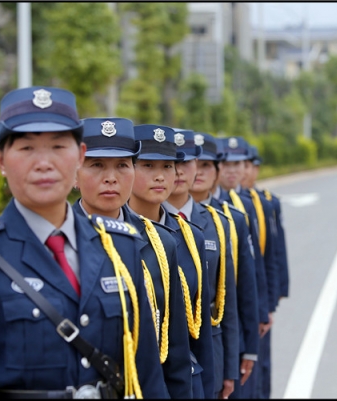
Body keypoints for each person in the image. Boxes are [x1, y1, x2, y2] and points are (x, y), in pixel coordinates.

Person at [0, 87, 167, 399]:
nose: (44, 163)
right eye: (26, 148)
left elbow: (146, 374)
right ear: (1, 160)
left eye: (58, 146)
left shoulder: (119, 245)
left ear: (78, 155)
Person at [72, 117, 192, 398]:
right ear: (74, 173)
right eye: (97, 165)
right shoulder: (54, 245)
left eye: (123, 165)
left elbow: (176, 350)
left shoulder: (161, 242)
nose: (111, 177)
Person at [128, 124, 215, 399]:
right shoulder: (111, 236)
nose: (161, 176)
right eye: (148, 166)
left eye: (168, 167)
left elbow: (198, 329)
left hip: (182, 379)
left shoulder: (187, 237)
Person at [163, 129, 240, 399]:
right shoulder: (142, 228)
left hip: (209, 350)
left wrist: (230, 367)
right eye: (172, 163)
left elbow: (226, 302)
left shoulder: (215, 223)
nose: (180, 171)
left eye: (187, 163)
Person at [189, 132, 260, 399]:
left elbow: (242, 291)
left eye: (206, 165)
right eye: (188, 162)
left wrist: (247, 347)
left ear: (216, 171)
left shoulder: (227, 220)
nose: (195, 171)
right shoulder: (154, 223)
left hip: (216, 342)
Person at [215, 136, 272, 398]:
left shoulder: (240, 210)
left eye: (239, 163)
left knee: (252, 380)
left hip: (237, 317)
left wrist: (265, 307)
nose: (232, 169)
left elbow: (258, 266)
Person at [242, 144, 290, 399]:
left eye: (246, 165)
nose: (240, 171)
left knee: (261, 365)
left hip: (259, 301)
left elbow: (272, 252)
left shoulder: (265, 203)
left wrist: (274, 295)